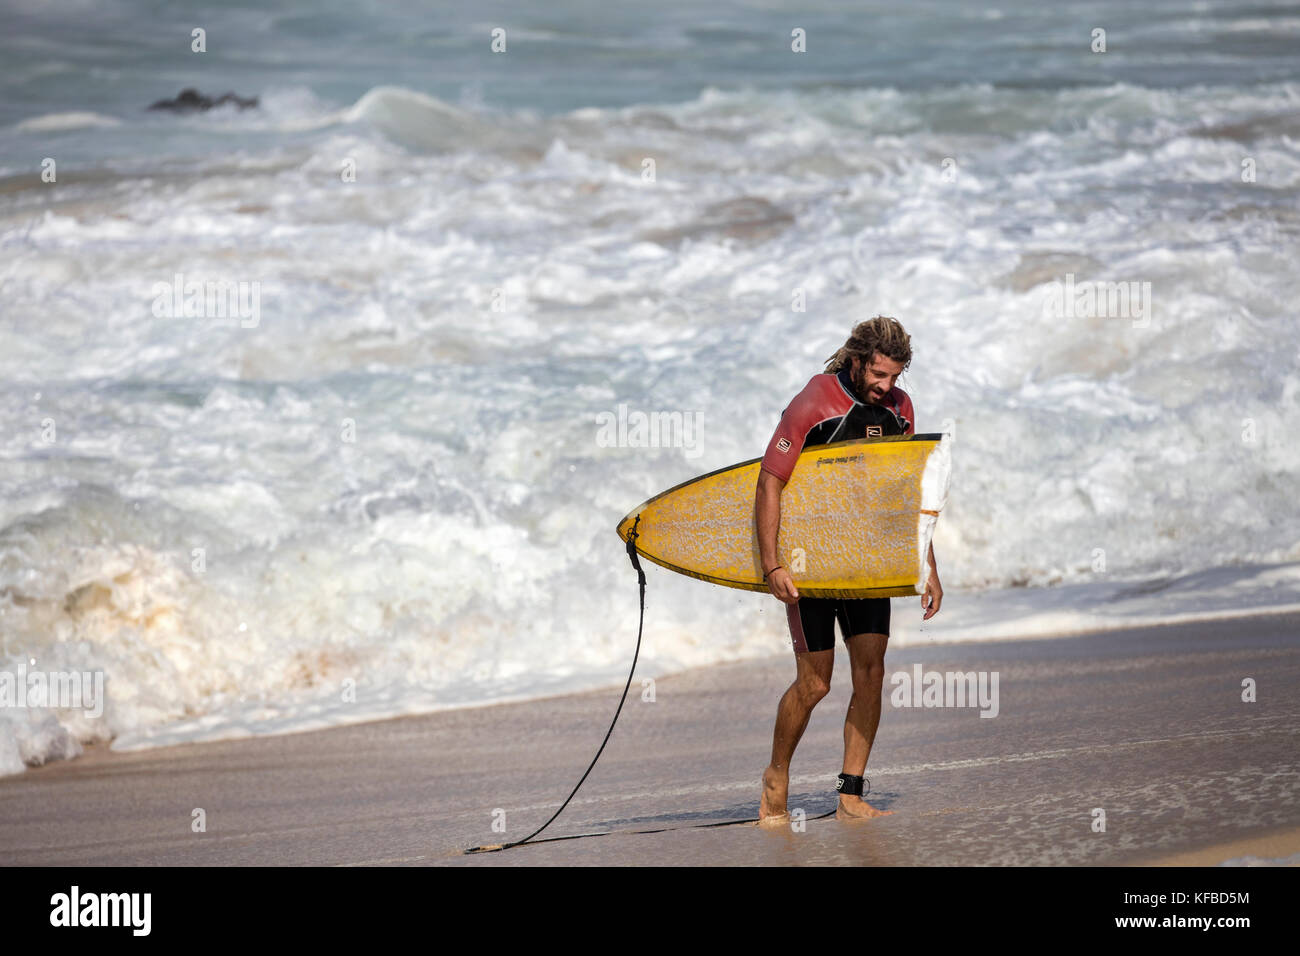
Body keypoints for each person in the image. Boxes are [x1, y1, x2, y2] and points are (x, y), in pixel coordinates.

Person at [754, 316, 942, 825]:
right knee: (815, 684)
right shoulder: (813, 403)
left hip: (865, 564)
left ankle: (850, 793)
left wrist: (926, 564)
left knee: (872, 673)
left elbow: (907, 493)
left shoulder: (899, 410)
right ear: (856, 361)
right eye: (879, 375)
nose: (887, 387)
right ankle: (776, 777)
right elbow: (769, 480)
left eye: (896, 377)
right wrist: (772, 564)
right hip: (810, 564)